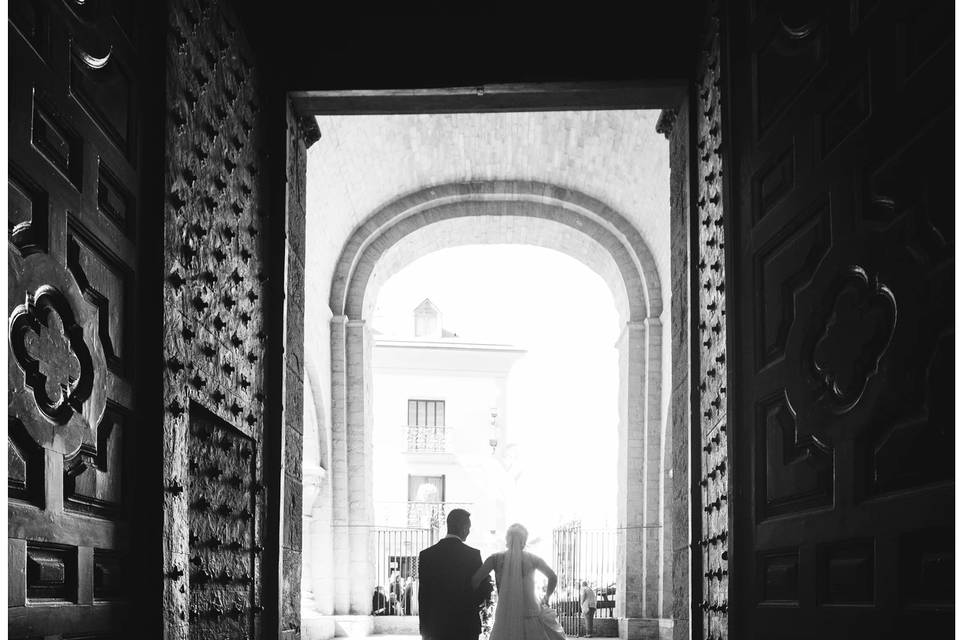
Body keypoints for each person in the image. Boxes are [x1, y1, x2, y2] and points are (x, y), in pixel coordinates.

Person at [471, 523, 567, 640]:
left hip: (505, 614)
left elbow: (475, 580)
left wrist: (478, 601)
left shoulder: (494, 559)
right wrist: (546, 596)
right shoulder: (533, 559)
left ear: (507, 539)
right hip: (530, 613)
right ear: (524, 540)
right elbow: (552, 577)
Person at [418, 508, 493, 640]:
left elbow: (423, 596)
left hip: (436, 628)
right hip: (466, 626)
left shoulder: (426, 555)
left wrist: (424, 630)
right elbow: (484, 589)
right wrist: (472, 603)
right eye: (469, 527)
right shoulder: (473, 555)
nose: (469, 531)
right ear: (463, 528)